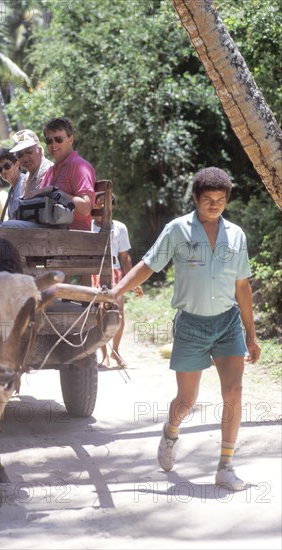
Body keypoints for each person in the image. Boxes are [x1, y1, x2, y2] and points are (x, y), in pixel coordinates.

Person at [112, 167, 261, 491]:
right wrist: (116, 291)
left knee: (233, 391)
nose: (215, 205)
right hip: (191, 325)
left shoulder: (235, 235)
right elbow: (148, 266)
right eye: (208, 199)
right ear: (196, 198)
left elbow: (243, 287)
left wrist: (251, 334)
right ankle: (171, 431)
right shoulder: (177, 230)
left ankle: (225, 466)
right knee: (186, 399)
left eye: (221, 200)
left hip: (227, 323)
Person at [2, 117, 95, 230]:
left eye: (58, 139)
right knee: (2, 226)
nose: (53, 145)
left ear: (70, 140)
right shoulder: (52, 171)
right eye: (49, 141)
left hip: (72, 234)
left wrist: (55, 192)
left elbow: (85, 209)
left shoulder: (79, 166)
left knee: (8, 227)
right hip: (50, 229)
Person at [91, 193, 143, 367]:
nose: (102, 208)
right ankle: (104, 355)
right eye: (98, 204)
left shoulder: (120, 227)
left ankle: (115, 351)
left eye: (106, 204)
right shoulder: (87, 226)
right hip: (95, 273)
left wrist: (133, 281)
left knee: (118, 312)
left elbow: (124, 257)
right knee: (100, 313)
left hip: (115, 273)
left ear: (112, 206)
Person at [9, 129, 53, 198]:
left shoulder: (49, 172)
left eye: (29, 151)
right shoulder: (27, 177)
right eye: (19, 154)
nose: (25, 158)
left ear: (40, 151)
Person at [0, 148, 25, 222]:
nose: (3, 171)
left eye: (7, 166)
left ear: (17, 163)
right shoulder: (12, 189)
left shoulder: (25, 183)